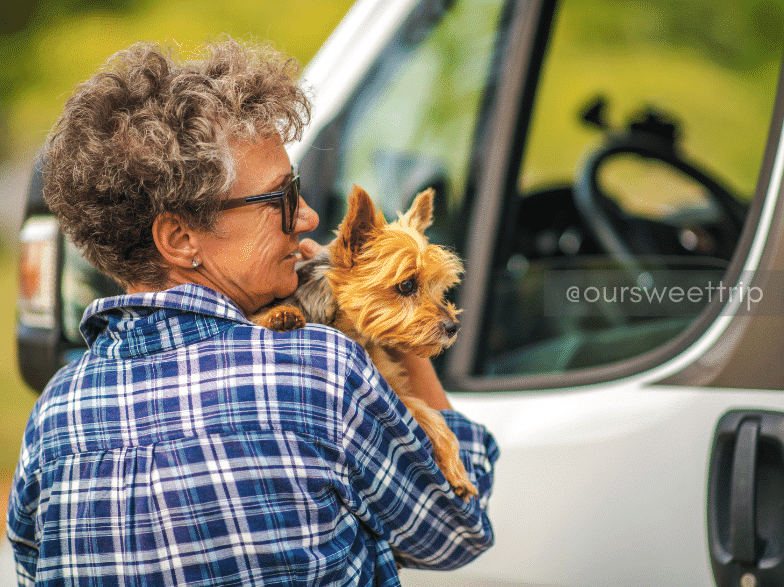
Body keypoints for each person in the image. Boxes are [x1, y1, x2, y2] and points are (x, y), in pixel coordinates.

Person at [7, 37, 498, 586]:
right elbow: (459, 529)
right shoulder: (323, 374)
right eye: (281, 198)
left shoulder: (54, 419)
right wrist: (395, 329)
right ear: (179, 238)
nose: (309, 218)